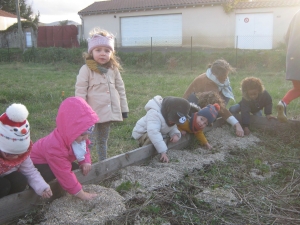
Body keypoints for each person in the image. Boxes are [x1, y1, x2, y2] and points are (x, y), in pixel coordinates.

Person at [75, 27, 129, 161]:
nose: (102, 53)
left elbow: (120, 89)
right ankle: (85, 163)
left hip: (107, 113)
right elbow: (80, 90)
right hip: (91, 115)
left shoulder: (113, 69)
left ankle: (102, 163)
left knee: (103, 140)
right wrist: (81, 112)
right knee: (89, 141)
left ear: (111, 53)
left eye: (107, 50)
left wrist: (124, 109)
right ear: (91, 52)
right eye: (98, 50)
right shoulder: (86, 69)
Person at [31, 97, 99, 200]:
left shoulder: (76, 137)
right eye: (82, 135)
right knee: (54, 176)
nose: (85, 138)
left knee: (77, 170)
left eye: (88, 134)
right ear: (71, 130)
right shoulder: (54, 146)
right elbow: (64, 172)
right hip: (38, 163)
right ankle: (49, 195)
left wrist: (85, 161)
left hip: (59, 159)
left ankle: (70, 188)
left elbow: (84, 148)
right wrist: (82, 194)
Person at [0, 103, 52, 199]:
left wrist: (43, 187)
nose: (14, 157)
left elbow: (30, 171)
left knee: (20, 180)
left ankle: (11, 204)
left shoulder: (23, 155)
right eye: (9, 153)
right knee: (3, 185)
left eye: (18, 154)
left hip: (8, 176)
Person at [183, 59, 244, 137]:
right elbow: (219, 104)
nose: (225, 78)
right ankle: (200, 121)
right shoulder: (208, 82)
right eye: (222, 77)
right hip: (192, 105)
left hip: (207, 102)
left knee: (227, 92)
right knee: (217, 107)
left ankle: (213, 116)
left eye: (226, 75)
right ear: (214, 74)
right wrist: (236, 124)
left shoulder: (217, 79)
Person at [132, 96, 191, 163]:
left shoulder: (169, 118)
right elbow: (153, 133)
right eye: (172, 120)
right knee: (153, 139)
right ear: (167, 111)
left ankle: (158, 148)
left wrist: (175, 134)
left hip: (156, 132)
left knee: (160, 139)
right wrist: (163, 152)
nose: (173, 122)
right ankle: (145, 155)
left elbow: (172, 127)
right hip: (143, 134)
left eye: (175, 122)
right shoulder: (154, 113)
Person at [277, 10, 300, 123]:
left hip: (293, 56)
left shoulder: (296, 14)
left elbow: (286, 37)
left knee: (298, 88)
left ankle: (284, 102)